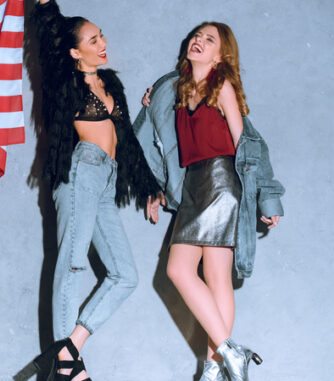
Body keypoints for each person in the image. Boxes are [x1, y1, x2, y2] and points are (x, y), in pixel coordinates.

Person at [135, 22, 285, 381]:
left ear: (220, 55)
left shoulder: (223, 88)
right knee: (183, 271)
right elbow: (159, 145)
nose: (198, 41)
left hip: (221, 182)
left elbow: (248, 143)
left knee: (212, 276)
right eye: (196, 36)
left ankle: (215, 367)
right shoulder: (176, 91)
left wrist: (267, 196)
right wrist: (152, 98)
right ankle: (227, 358)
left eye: (209, 39)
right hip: (194, 184)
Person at [30, 1, 163, 380]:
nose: (102, 42)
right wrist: (44, 4)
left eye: (101, 34)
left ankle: (67, 350)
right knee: (71, 265)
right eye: (92, 39)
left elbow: (128, 141)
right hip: (79, 173)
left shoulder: (111, 84)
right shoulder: (64, 80)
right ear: (74, 51)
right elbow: (50, 31)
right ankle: (68, 369)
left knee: (125, 275)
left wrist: (149, 187)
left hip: (106, 179)